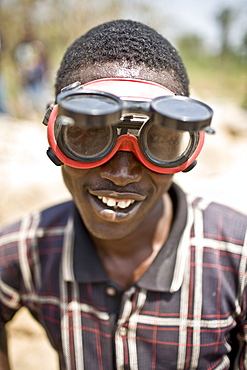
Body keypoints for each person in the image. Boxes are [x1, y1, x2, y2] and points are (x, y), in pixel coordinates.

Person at [0, 19, 247, 370]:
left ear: (185, 150)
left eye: (158, 140)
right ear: (56, 141)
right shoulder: (27, 249)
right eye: (90, 133)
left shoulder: (238, 261)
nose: (121, 173)